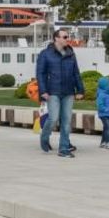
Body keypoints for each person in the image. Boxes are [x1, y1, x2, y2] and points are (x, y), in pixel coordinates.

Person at [37, 29, 85, 158]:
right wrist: (43, 91)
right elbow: (40, 74)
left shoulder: (70, 53)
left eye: (67, 36)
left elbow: (76, 73)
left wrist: (80, 90)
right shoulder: (45, 54)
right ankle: (44, 137)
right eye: (64, 36)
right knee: (53, 118)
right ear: (56, 38)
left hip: (69, 92)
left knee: (66, 121)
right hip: (52, 92)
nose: (67, 39)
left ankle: (63, 149)